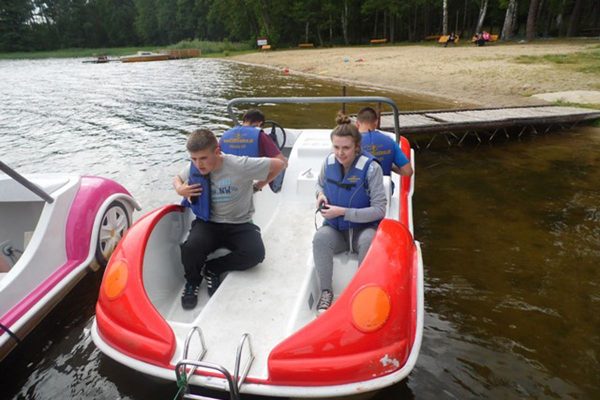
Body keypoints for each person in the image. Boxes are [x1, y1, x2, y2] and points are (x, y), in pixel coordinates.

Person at [174, 129, 285, 309]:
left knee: (256, 253)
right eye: (194, 159)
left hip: (239, 223)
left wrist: (259, 186)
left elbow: (280, 164)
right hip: (208, 222)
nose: (198, 164)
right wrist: (180, 189)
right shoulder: (194, 167)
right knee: (190, 248)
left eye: (203, 158)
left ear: (217, 152)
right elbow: (178, 178)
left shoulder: (240, 165)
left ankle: (213, 268)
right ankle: (193, 282)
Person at [312, 113, 387, 314]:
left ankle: (362, 292)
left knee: (369, 241)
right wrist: (320, 195)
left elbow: (380, 209)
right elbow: (319, 184)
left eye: (346, 148)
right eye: (336, 147)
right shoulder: (328, 163)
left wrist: (343, 212)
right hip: (336, 231)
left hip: (363, 230)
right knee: (320, 239)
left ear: (357, 146)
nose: (340, 153)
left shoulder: (371, 169)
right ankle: (326, 292)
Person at [220, 109, 288, 191]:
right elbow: (282, 162)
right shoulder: (261, 136)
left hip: (228, 179)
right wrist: (257, 186)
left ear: (244, 120)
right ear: (259, 123)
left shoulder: (225, 135)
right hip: (252, 178)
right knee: (284, 162)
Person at [355, 106, 413, 181]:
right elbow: (408, 171)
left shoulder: (352, 142)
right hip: (383, 186)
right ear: (376, 122)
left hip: (359, 186)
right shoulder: (390, 141)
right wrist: (390, 166)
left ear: (357, 124)